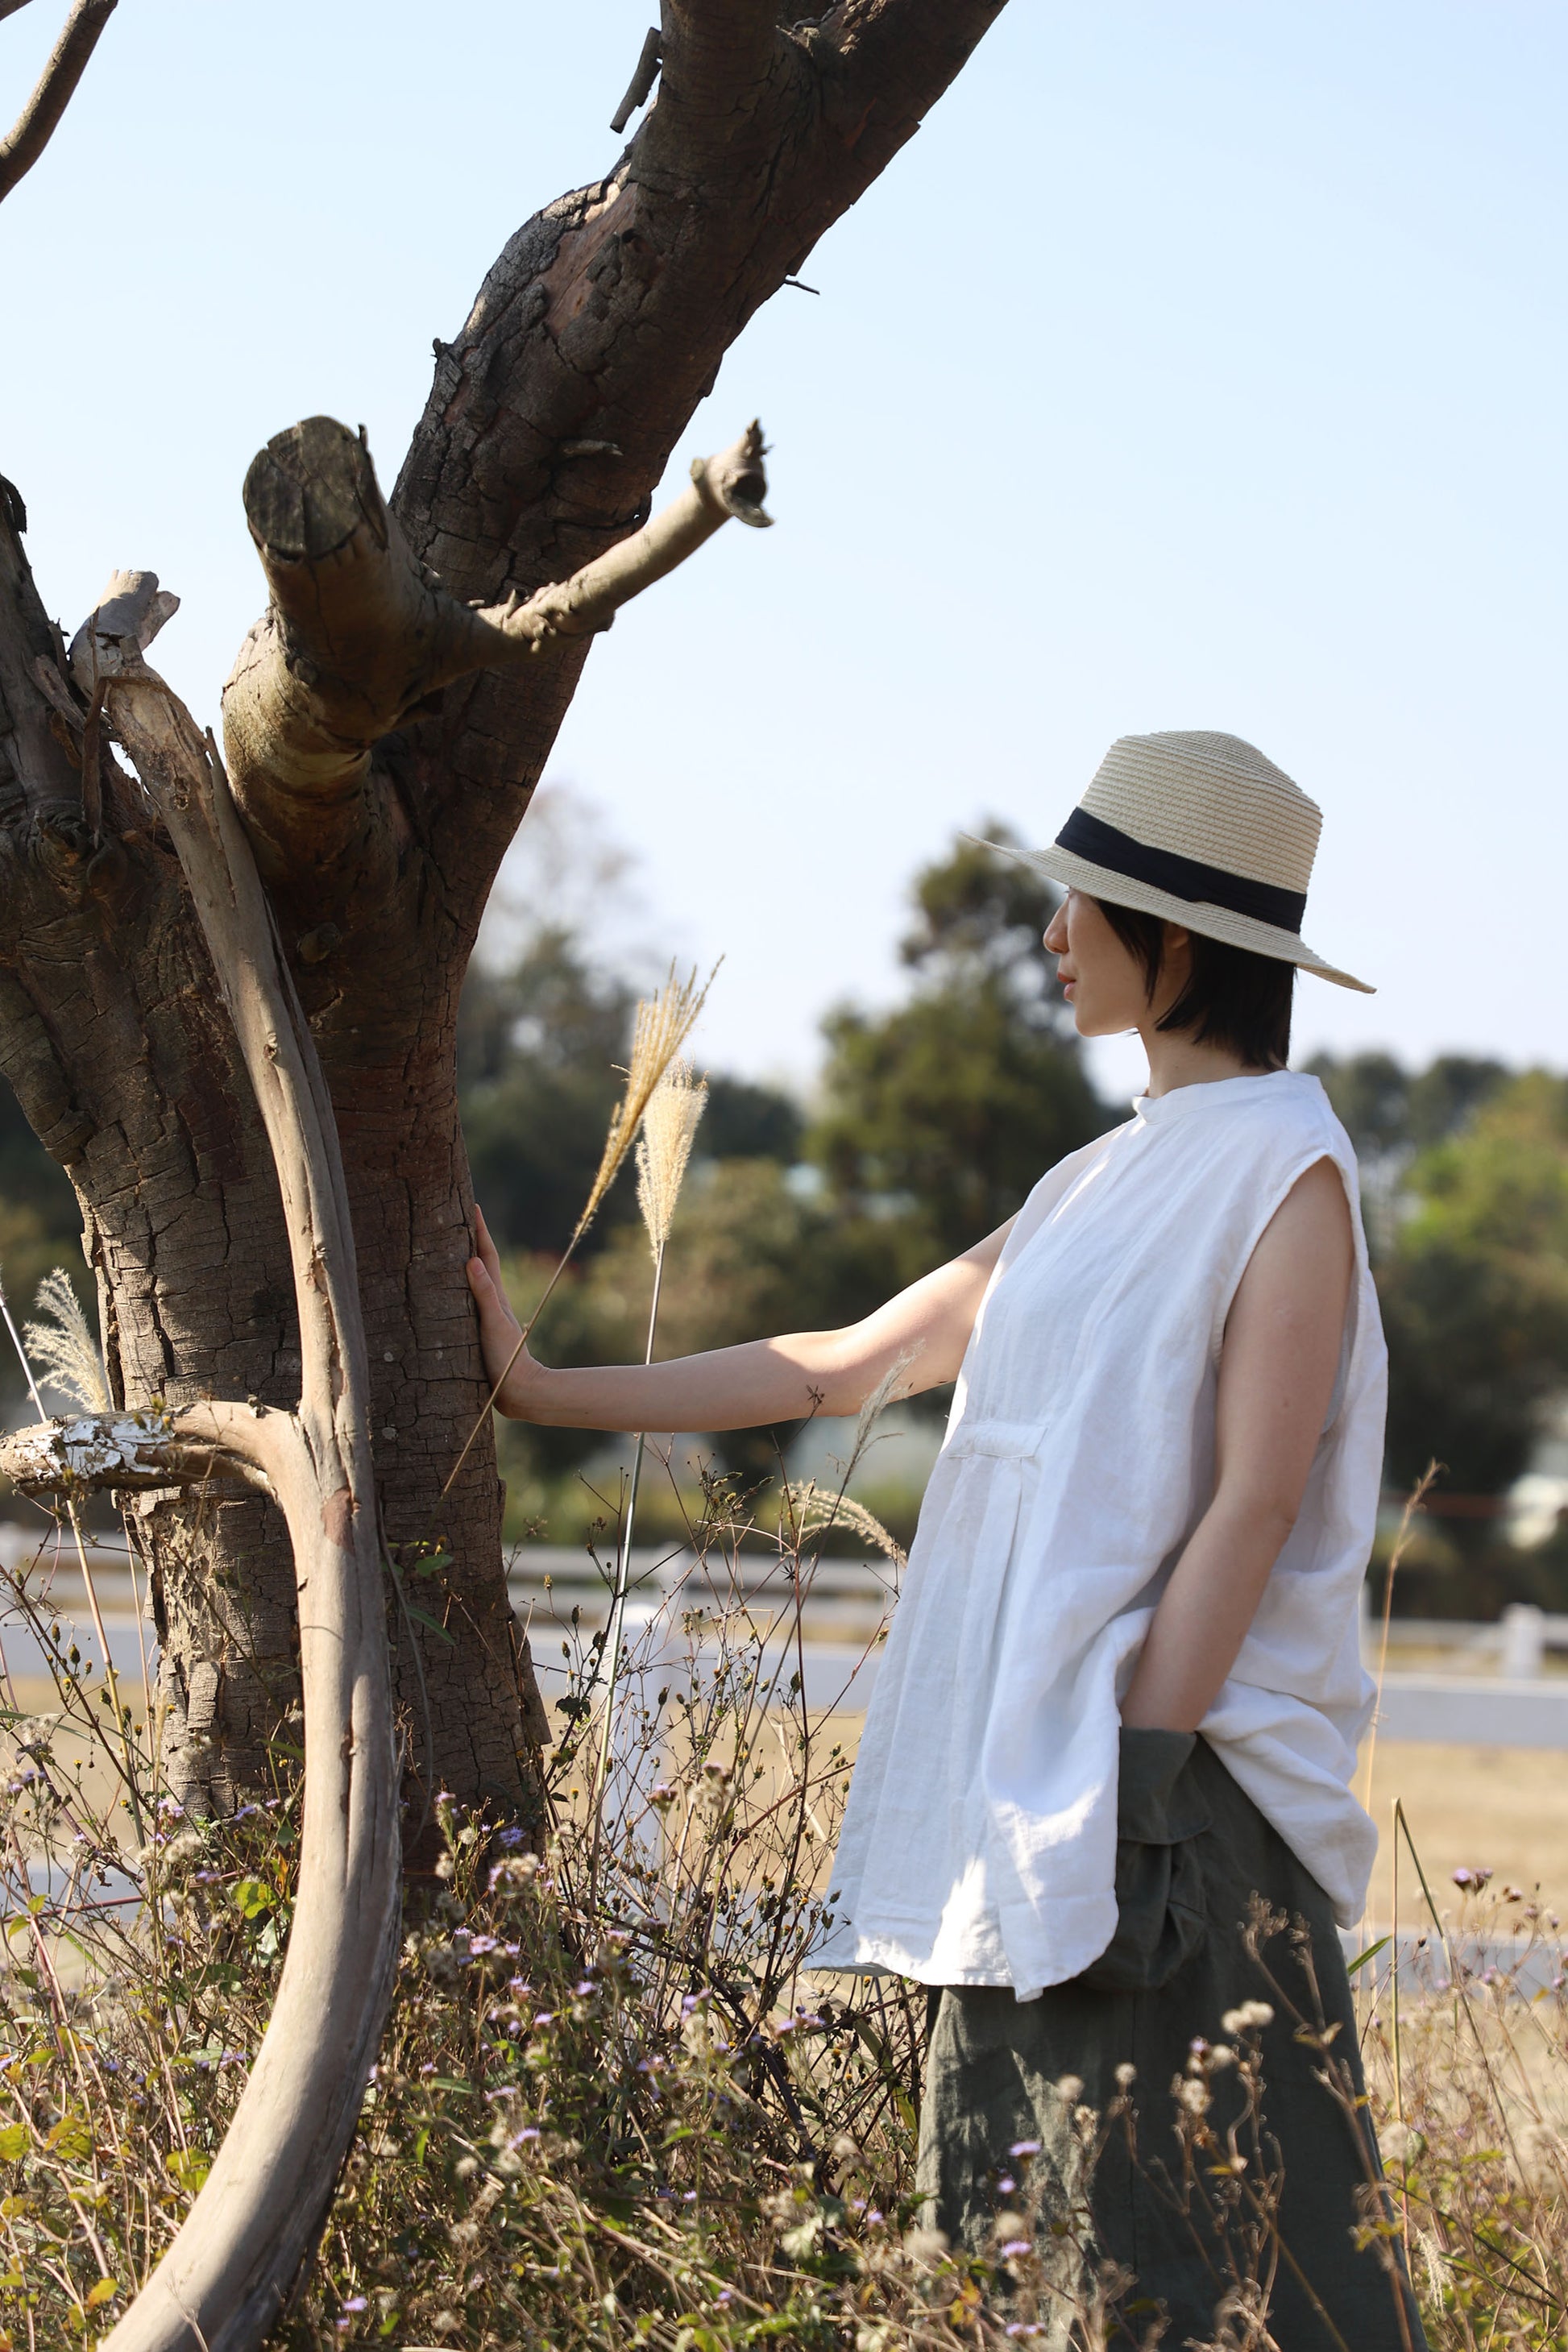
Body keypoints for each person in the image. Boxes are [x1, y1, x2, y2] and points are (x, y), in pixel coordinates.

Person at [466, 731, 1427, 2350]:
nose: (1052, 933)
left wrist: (1141, 1776)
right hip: (1037, 1795)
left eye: (1078, 905)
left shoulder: (1288, 1170)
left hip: (1166, 1802)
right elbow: (844, 1363)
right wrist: (544, 1387)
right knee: (1033, 2268)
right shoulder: (1090, 1184)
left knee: (1209, 2274)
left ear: (1171, 938)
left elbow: (1257, 1499)